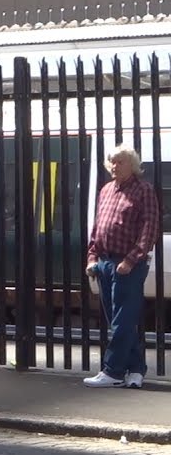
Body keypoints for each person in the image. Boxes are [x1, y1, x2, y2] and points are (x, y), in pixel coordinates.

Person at [83, 144, 157, 389]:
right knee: (119, 319)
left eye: (120, 162)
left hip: (128, 264)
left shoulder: (143, 190)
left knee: (122, 320)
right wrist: (92, 256)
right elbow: (98, 226)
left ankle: (113, 371)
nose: (115, 166)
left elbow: (150, 228)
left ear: (133, 165)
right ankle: (136, 370)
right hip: (104, 261)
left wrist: (131, 259)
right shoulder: (106, 190)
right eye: (112, 162)